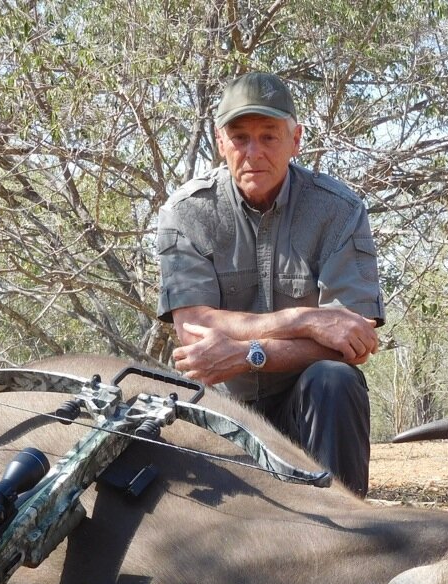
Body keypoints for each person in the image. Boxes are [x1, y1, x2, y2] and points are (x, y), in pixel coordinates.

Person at [156, 72, 385, 496]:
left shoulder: (339, 211)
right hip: (223, 407)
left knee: (335, 380)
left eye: (269, 136)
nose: (253, 152)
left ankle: (349, 541)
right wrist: (306, 320)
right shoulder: (186, 213)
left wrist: (248, 353)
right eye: (239, 137)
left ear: (296, 139)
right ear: (220, 142)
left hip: (305, 405)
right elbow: (195, 331)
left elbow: (354, 342)